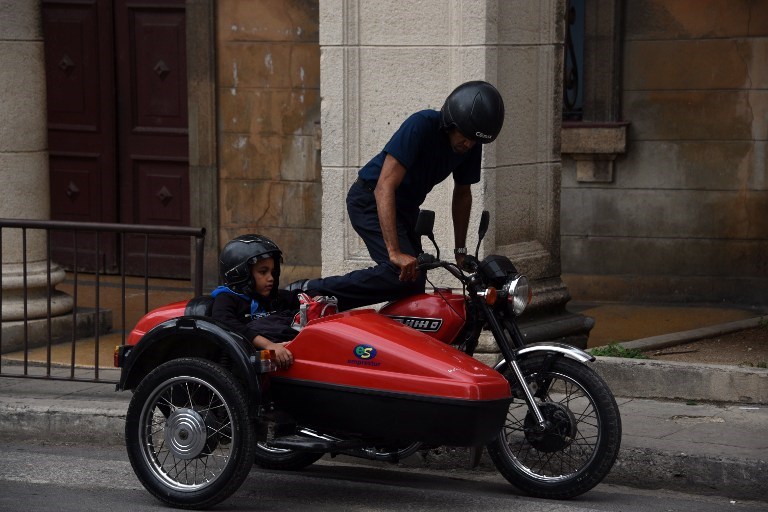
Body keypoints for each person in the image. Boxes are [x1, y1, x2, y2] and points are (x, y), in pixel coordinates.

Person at [299, 81, 505, 310]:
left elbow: (463, 194)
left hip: (406, 209)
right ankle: (311, 291)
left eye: (475, 140)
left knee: (413, 284)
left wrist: (460, 252)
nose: (469, 144)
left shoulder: (471, 145)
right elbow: (384, 187)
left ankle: (399, 337)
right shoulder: (421, 125)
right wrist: (394, 253)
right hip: (368, 199)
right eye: (465, 136)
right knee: (401, 273)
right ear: (451, 122)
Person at [211, 234, 299, 369]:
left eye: (272, 272)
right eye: (263, 272)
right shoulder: (226, 298)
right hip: (244, 361)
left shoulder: (268, 295)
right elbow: (226, 323)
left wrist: (315, 299)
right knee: (291, 359)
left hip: (280, 349)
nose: (271, 278)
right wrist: (270, 346)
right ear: (241, 274)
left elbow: (295, 296)